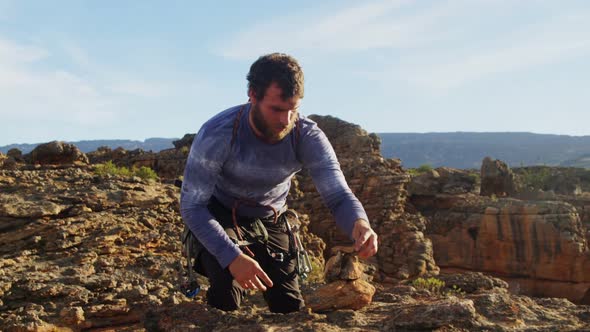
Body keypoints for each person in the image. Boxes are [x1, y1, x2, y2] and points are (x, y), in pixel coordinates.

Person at [180, 53, 378, 313]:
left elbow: (338, 194)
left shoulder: (306, 136)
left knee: (289, 307)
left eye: (293, 109)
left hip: (271, 218)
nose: (286, 120)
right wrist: (231, 257)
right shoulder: (218, 134)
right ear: (253, 95)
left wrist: (359, 224)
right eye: (277, 109)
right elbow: (193, 206)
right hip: (220, 215)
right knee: (226, 294)